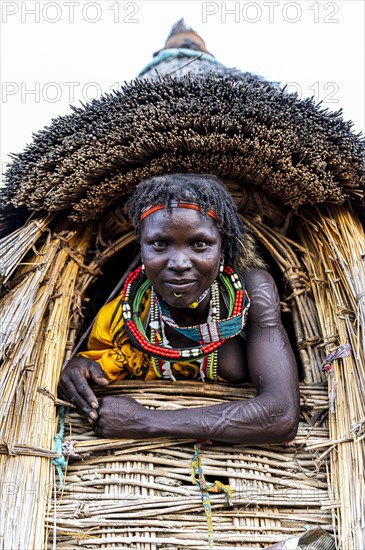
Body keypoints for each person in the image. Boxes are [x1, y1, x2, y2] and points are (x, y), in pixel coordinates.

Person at [58, 173, 300, 444]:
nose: (179, 263)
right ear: (141, 247)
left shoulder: (253, 293)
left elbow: (281, 415)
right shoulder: (119, 317)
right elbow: (99, 367)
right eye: (160, 244)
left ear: (223, 245)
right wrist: (79, 369)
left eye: (200, 244)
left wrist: (147, 422)